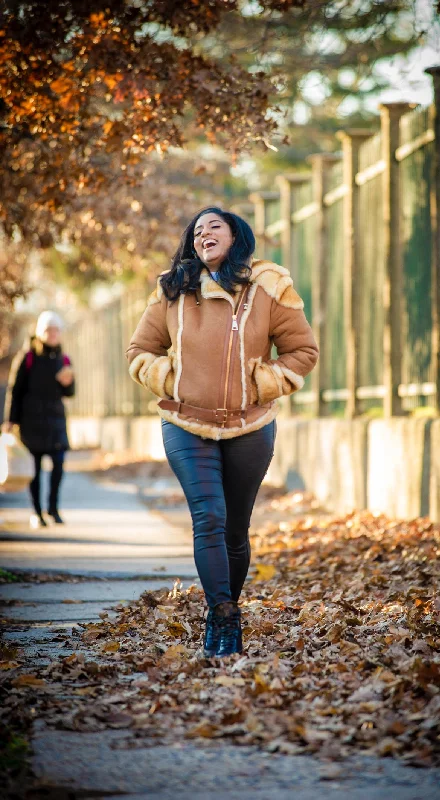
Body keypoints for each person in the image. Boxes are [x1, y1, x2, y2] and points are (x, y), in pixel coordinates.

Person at [126, 207, 318, 658]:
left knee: (235, 529)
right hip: (185, 423)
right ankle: (223, 616)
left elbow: (302, 350)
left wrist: (261, 383)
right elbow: (140, 349)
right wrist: (171, 380)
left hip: (250, 425)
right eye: (197, 230)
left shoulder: (270, 285)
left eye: (214, 226)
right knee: (208, 517)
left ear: (236, 235)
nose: (204, 233)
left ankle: (227, 606)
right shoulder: (172, 288)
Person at [2, 311, 75, 528]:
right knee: (33, 469)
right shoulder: (27, 357)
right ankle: (37, 512)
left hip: (56, 420)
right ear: (40, 332)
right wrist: (10, 420)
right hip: (31, 421)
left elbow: (70, 392)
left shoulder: (64, 359)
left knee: (59, 464)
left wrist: (68, 382)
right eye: (48, 330)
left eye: (56, 330)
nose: (53, 334)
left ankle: (53, 507)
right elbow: (15, 391)